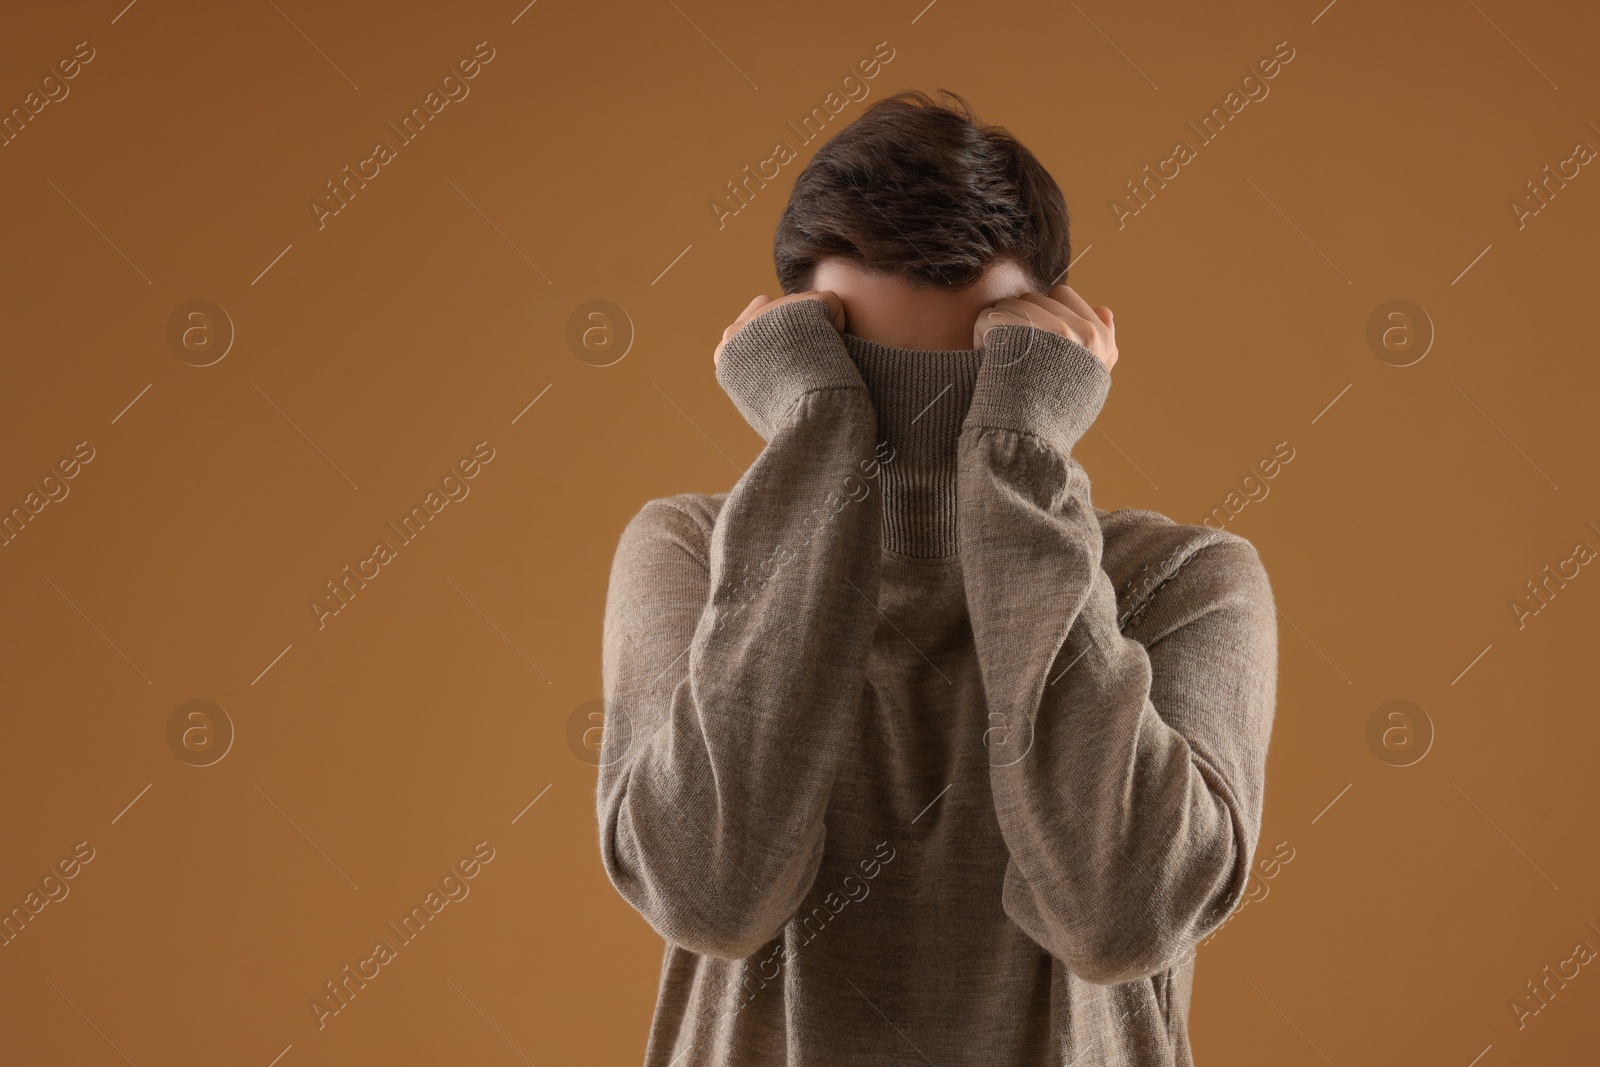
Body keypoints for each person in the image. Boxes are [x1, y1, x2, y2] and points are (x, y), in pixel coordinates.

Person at [597, 88, 1279, 1066]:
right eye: (863, 391)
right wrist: (815, 447)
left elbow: (1119, 913)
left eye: (964, 393)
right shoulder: (691, 555)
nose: (915, 437)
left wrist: (1018, 459)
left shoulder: (1181, 580)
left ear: (1045, 374)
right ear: (794, 376)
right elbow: (713, 889)